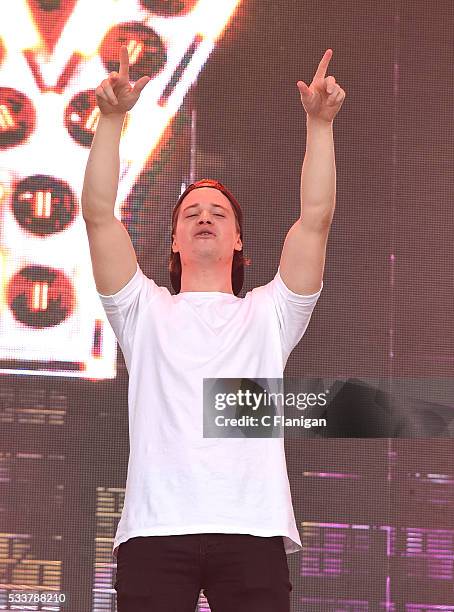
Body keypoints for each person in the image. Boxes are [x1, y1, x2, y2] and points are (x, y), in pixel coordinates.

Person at [82, 45, 345, 612]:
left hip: (251, 530)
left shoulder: (270, 313)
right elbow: (100, 214)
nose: (204, 216)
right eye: (191, 212)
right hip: (155, 531)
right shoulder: (142, 310)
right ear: (174, 240)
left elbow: (315, 220)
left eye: (219, 212)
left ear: (238, 240)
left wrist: (319, 125)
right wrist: (109, 120)